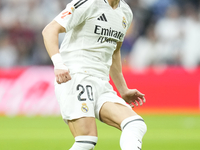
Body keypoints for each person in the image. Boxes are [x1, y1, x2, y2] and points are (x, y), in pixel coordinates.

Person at [42, 0, 147, 150]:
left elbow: (115, 51)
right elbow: (49, 30)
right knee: (86, 140)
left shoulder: (126, 12)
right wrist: (58, 64)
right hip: (76, 75)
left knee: (135, 124)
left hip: (102, 82)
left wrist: (123, 89)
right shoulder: (88, 3)